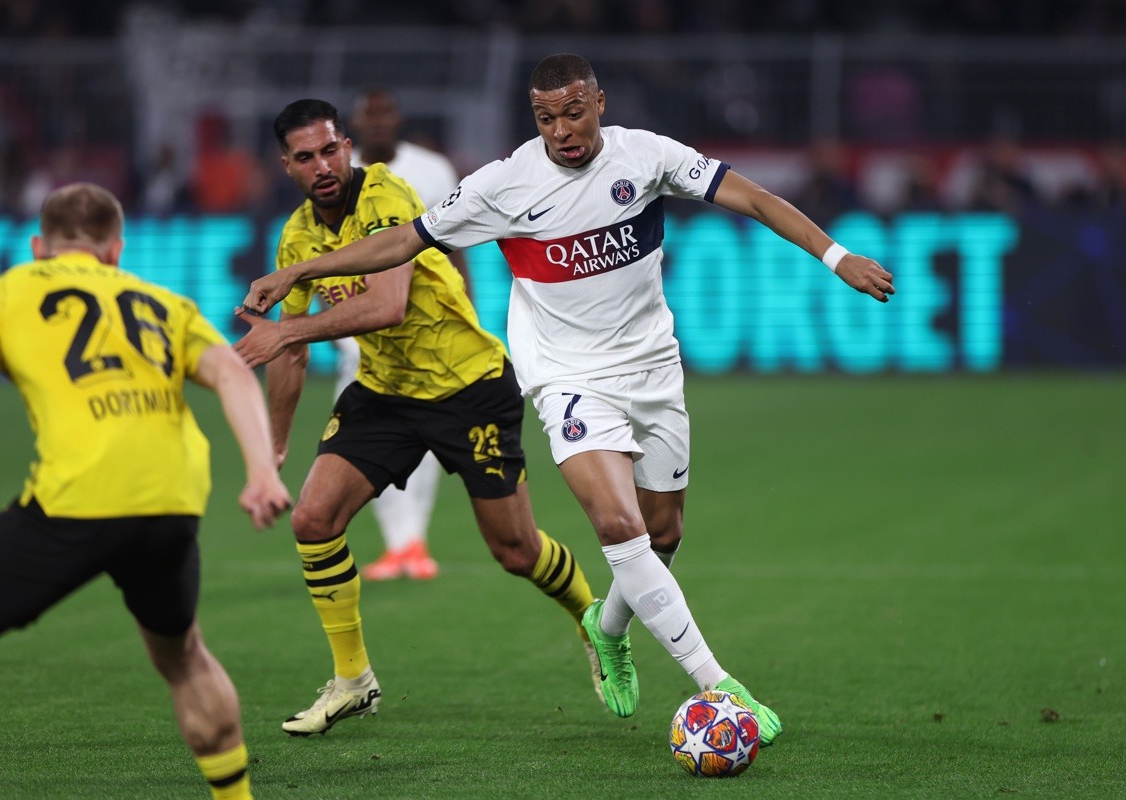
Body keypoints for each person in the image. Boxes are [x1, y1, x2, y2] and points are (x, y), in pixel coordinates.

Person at [240, 55, 897, 748]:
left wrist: (835, 257)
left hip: (652, 372)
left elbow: (757, 199)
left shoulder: (648, 157)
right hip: (564, 377)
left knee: (662, 532)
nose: (562, 130)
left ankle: (606, 626)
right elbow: (404, 242)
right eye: (547, 117)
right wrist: (300, 270)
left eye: (574, 112)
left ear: (599, 103)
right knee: (617, 527)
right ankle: (718, 684)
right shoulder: (504, 183)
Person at [231, 99, 599, 736]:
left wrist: (291, 330)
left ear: (346, 145)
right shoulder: (295, 236)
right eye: (305, 157)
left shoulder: (385, 194)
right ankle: (354, 682)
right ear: (285, 164)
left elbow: (388, 305)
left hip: (468, 386)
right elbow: (285, 352)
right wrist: (274, 447)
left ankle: (593, 619)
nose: (323, 166)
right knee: (314, 519)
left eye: (330, 150)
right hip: (387, 394)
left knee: (514, 550)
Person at [0, 183, 292, 800]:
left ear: (39, 247)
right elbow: (232, 371)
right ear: (115, 250)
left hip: (77, 501)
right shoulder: (160, 301)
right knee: (183, 656)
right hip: (170, 503)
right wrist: (262, 470)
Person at [338, 87, 471, 582]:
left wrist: (466, 313)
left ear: (397, 120)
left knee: (426, 435)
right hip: (359, 334)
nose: (376, 124)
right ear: (355, 124)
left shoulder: (433, 169)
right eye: (367, 116)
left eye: (384, 115)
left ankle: (410, 541)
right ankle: (402, 542)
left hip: (427, 328)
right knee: (362, 437)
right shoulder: (338, 172)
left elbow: (456, 246)